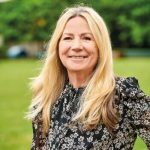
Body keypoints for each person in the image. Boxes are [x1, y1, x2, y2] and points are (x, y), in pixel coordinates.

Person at [27, 5, 150, 150]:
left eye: (87, 38)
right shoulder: (48, 96)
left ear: (100, 46)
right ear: (57, 45)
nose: (76, 46)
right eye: (68, 38)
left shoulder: (123, 94)